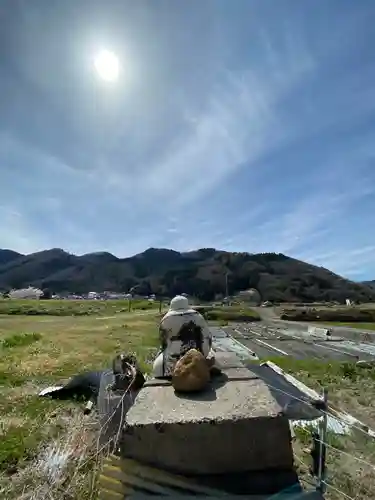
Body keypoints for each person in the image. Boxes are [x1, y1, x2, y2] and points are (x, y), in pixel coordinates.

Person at [153, 295, 215, 378]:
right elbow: (208, 338)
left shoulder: (165, 320)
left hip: (173, 364)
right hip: (199, 357)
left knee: (158, 365)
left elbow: (163, 343)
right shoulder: (199, 316)